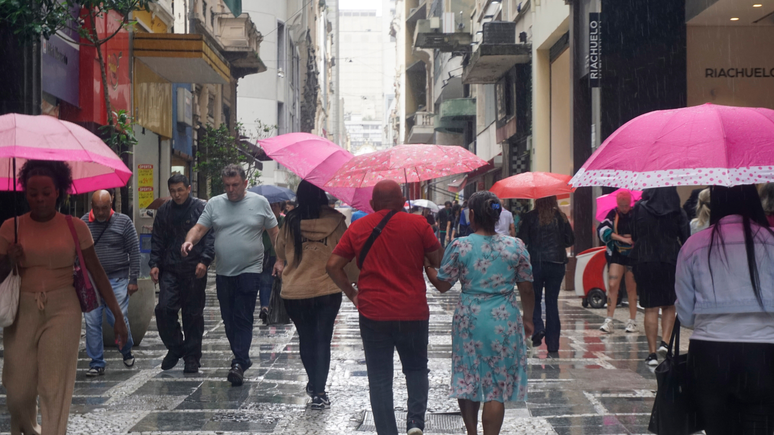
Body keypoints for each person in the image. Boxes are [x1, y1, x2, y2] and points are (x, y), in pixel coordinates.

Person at [0, 160, 128, 435]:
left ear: (58, 191)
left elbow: (97, 272)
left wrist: (118, 315)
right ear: (25, 193)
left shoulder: (75, 227)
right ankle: (32, 428)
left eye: (46, 191)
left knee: (53, 385)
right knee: (17, 389)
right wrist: (10, 260)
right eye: (33, 192)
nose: (40, 198)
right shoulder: (11, 228)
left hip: (63, 308)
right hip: (22, 307)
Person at [327, 180, 443, 435]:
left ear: (371, 204)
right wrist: (422, 255)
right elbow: (439, 260)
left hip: (373, 312)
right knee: (416, 368)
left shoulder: (359, 227)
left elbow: (333, 265)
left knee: (380, 379)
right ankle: (415, 423)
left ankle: (387, 431)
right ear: (402, 202)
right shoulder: (418, 224)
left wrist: (352, 293)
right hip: (412, 311)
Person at [425, 191, 535, 435]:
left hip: (470, 319)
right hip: (504, 318)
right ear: (497, 216)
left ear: (471, 214)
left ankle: (472, 432)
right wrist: (528, 318)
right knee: (496, 387)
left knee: (467, 377)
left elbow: (443, 284)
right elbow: (527, 287)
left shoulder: (460, 246)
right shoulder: (515, 246)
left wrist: (427, 266)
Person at [675, 185, 774, 434]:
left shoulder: (693, 245)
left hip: (710, 353)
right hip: (764, 352)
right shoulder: (771, 241)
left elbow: (686, 315)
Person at [182, 164, 279, 386]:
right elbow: (199, 228)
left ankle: (239, 362)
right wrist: (189, 241)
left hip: (251, 269)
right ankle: (242, 358)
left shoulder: (259, 203)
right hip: (224, 271)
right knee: (228, 320)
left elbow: (275, 233)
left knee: (243, 316)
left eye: (235, 185)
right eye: (227, 185)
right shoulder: (215, 204)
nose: (231, 189)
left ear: (245, 183)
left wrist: (280, 260)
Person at [274, 181, 351, 409]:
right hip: (327, 289)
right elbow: (347, 250)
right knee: (323, 339)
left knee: (306, 338)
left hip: (296, 291)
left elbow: (280, 250)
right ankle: (319, 391)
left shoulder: (290, 220)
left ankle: (313, 382)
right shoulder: (336, 220)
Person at [150, 174, 214, 374]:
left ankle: (192, 357)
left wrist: (205, 260)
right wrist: (154, 263)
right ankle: (176, 346)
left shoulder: (201, 209)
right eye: (173, 191)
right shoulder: (164, 211)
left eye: (180, 190)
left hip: (194, 269)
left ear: (188, 188)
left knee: (192, 315)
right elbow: (157, 239)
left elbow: (209, 236)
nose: (177, 194)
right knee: (164, 309)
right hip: (169, 268)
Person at [81, 190, 140, 376]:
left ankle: (126, 349)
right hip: (91, 281)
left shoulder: (124, 222)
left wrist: (133, 279)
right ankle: (97, 362)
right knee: (92, 321)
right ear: (92, 206)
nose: (100, 213)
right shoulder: (83, 223)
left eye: (104, 208)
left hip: (117, 278)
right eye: (97, 208)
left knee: (117, 316)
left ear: (111, 204)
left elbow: (134, 251)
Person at [630, 187, 689, 366]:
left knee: (650, 308)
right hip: (670, 260)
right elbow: (686, 237)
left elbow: (634, 234)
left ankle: (652, 353)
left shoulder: (639, 208)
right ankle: (665, 342)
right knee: (669, 304)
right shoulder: (677, 211)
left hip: (645, 260)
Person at [517, 195, 575, 352]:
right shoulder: (560, 217)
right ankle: (553, 343)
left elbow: (521, 240)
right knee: (551, 302)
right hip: (556, 264)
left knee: (535, 298)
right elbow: (570, 240)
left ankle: (537, 329)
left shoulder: (530, 217)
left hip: (536, 263)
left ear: (537, 200)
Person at [598, 190, 638, 334]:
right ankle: (609, 319)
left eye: (626, 205)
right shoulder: (612, 215)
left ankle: (632, 320)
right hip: (617, 253)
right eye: (621, 206)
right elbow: (602, 231)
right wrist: (622, 238)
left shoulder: (636, 214)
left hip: (633, 254)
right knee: (612, 284)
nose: (624, 208)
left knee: (631, 287)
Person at [258, 201, 284, 324]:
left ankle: (279, 308)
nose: (273, 207)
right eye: (271, 205)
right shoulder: (262, 220)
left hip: (279, 256)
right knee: (265, 282)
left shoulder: (284, 221)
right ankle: (265, 308)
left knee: (278, 283)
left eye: (276, 205)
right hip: (265, 255)